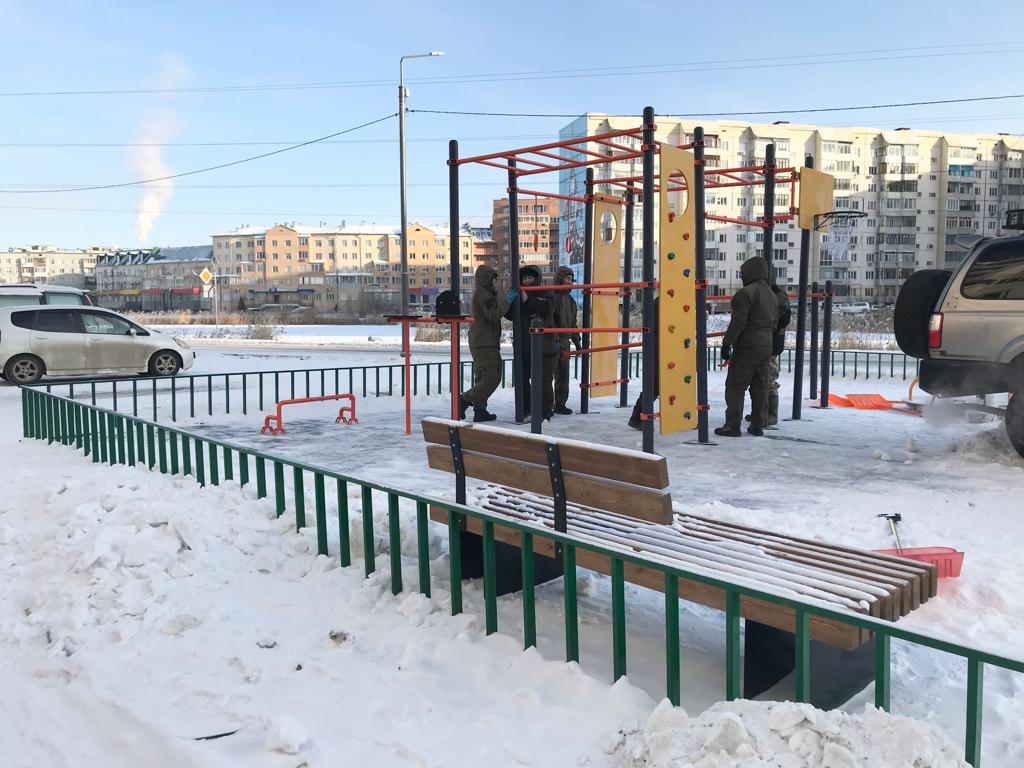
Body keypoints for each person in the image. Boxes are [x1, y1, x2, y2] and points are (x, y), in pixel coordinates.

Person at [715, 257, 777, 437]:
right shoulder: (771, 295)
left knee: (735, 385)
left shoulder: (746, 293)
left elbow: (738, 323)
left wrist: (727, 343)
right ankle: (758, 424)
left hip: (748, 345)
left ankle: (732, 425)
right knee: (760, 386)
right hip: (767, 344)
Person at [459, 265, 510, 422]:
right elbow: (493, 315)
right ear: (488, 280)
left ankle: (480, 410)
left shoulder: (484, 293)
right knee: (493, 377)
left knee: (482, 377)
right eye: (494, 279)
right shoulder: (484, 294)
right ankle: (464, 399)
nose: (496, 282)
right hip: (484, 342)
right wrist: (507, 301)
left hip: (481, 340)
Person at [506, 265, 557, 420]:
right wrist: (509, 302)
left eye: (530, 278)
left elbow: (547, 308)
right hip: (523, 346)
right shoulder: (518, 294)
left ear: (537, 279)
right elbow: (509, 315)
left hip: (544, 346)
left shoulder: (546, 293)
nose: (527, 281)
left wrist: (528, 301)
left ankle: (545, 409)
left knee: (542, 380)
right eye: (524, 278)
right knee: (522, 379)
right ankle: (526, 407)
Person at [746, 282, 792, 428]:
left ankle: (771, 414)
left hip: (771, 341)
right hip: (769, 339)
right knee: (762, 377)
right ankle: (762, 412)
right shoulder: (773, 292)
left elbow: (781, 318)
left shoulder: (773, 294)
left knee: (769, 376)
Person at [551, 266, 582, 415]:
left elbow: (572, 323)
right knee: (547, 374)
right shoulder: (551, 296)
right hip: (552, 341)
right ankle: (545, 403)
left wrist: (577, 341)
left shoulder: (570, 301)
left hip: (565, 342)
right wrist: (554, 339)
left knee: (563, 375)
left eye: (571, 278)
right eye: (567, 278)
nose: (570, 281)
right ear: (560, 279)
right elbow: (550, 320)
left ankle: (560, 403)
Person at [628, 295, 659, 430]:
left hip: (667, 347)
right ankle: (637, 417)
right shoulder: (663, 302)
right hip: (659, 347)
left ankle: (684, 416)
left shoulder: (669, 300)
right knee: (654, 385)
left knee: (677, 383)